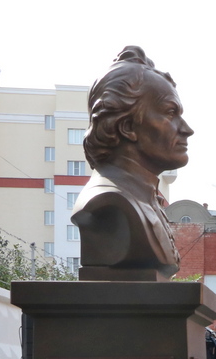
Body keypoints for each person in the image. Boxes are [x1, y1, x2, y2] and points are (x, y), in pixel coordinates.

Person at [74, 46, 189, 277]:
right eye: (170, 113)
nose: (186, 130)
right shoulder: (109, 203)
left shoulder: (145, 198)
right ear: (127, 126)